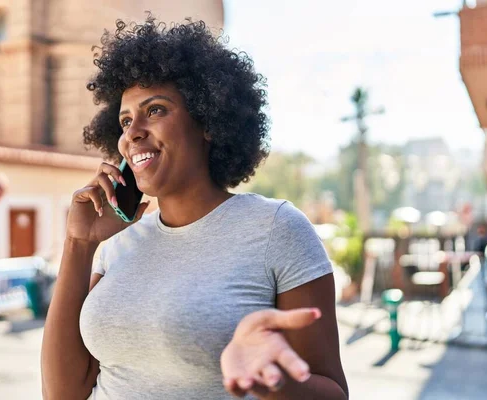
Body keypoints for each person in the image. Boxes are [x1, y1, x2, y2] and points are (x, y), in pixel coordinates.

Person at [41, 16, 348, 400]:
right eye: (124, 120)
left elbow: (333, 392)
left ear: (207, 122)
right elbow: (62, 394)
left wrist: (270, 378)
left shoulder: (276, 229)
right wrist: (78, 243)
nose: (133, 131)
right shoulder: (117, 247)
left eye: (154, 110)